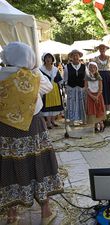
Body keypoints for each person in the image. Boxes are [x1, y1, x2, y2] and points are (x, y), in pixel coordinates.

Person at [0, 42, 63, 225]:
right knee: (38, 163)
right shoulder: (34, 76)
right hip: (32, 126)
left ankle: (12, 216)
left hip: (5, 129)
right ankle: (45, 212)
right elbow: (48, 88)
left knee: (8, 166)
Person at [40, 52, 64, 129]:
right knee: (47, 106)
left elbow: (59, 79)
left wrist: (62, 87)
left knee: (55, 105)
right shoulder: (41, 69)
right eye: (46, 58)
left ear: (52, 59)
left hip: (55, 89)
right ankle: (48, 122)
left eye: (50, 58)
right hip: (46, 89)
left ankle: (53, 121)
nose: (48, 59)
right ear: (44, 59)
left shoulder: (55, 69)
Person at [63, 49, 87, 125]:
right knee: (71, 104)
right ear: (71, 57)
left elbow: (86, 78)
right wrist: (66, 88)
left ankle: (83, 119)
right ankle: (72, 120)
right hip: (71, 88)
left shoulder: (84, 67)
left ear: (79, 57)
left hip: (81, 88)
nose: (75, 57)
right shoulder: (67, 67)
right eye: (74, 55)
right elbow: (65, 78)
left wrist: (86, 87)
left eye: (77, 55)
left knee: (82, 104)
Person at [93, 43, 110, 113]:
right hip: (99, 76)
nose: (102, 49)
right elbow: (92, 68)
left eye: (103, 48)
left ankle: (109, 111)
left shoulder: (109, 58)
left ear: (105, 49)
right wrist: (95, 76)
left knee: (109, 91)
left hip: (108, 76)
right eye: (101, 48)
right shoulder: (95, 59)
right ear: (99, 49)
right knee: (100, 91)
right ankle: (101, 109)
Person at [85, 62, 106, 132]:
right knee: (93, 111)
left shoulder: (99, 77)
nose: (92, 69)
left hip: (98, 96)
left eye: (94, 67)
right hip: (90, 96)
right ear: (88, 68)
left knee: (98, 110)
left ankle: (101, 123)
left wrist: (96, 96)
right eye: (90, 67)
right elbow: (86, 88)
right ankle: (95, 125)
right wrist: (92, 96)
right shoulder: (87, 77)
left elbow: (101, 89)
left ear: (96, 68)